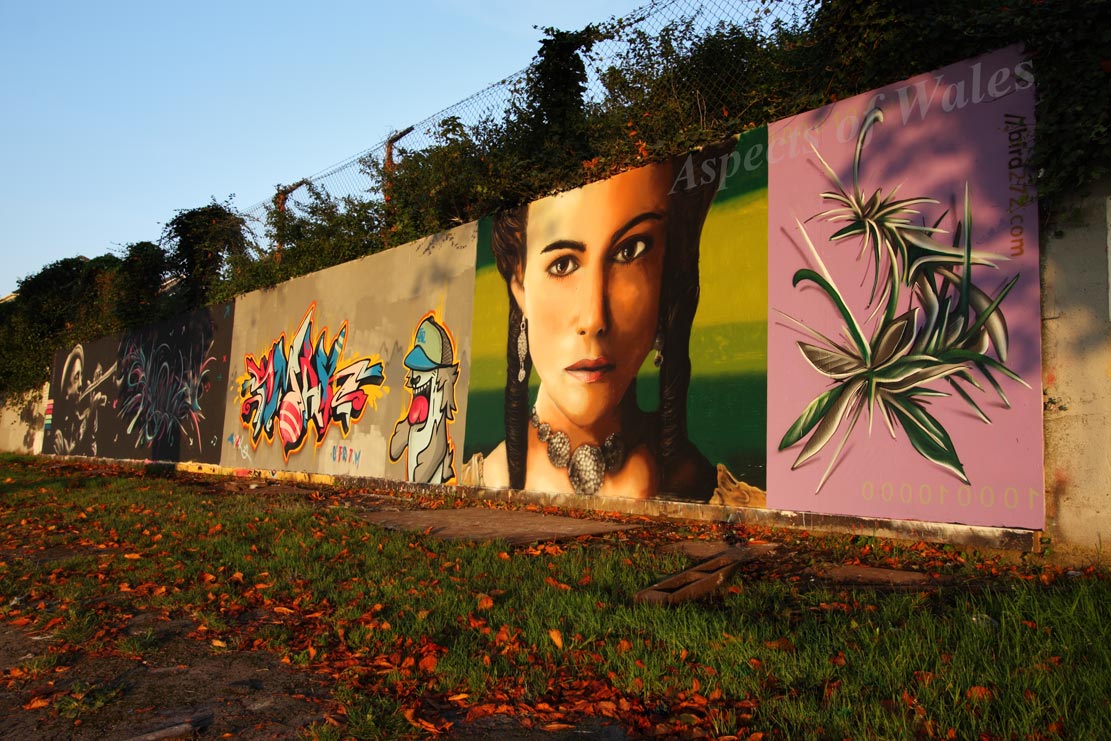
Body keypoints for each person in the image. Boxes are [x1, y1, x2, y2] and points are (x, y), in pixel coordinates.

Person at [467, 144, 729, 501]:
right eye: (563, 265)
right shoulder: (482, 480)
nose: (594, 319)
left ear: (667, 276)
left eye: (630, 252)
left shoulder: (708, 489)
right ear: (519, 285)